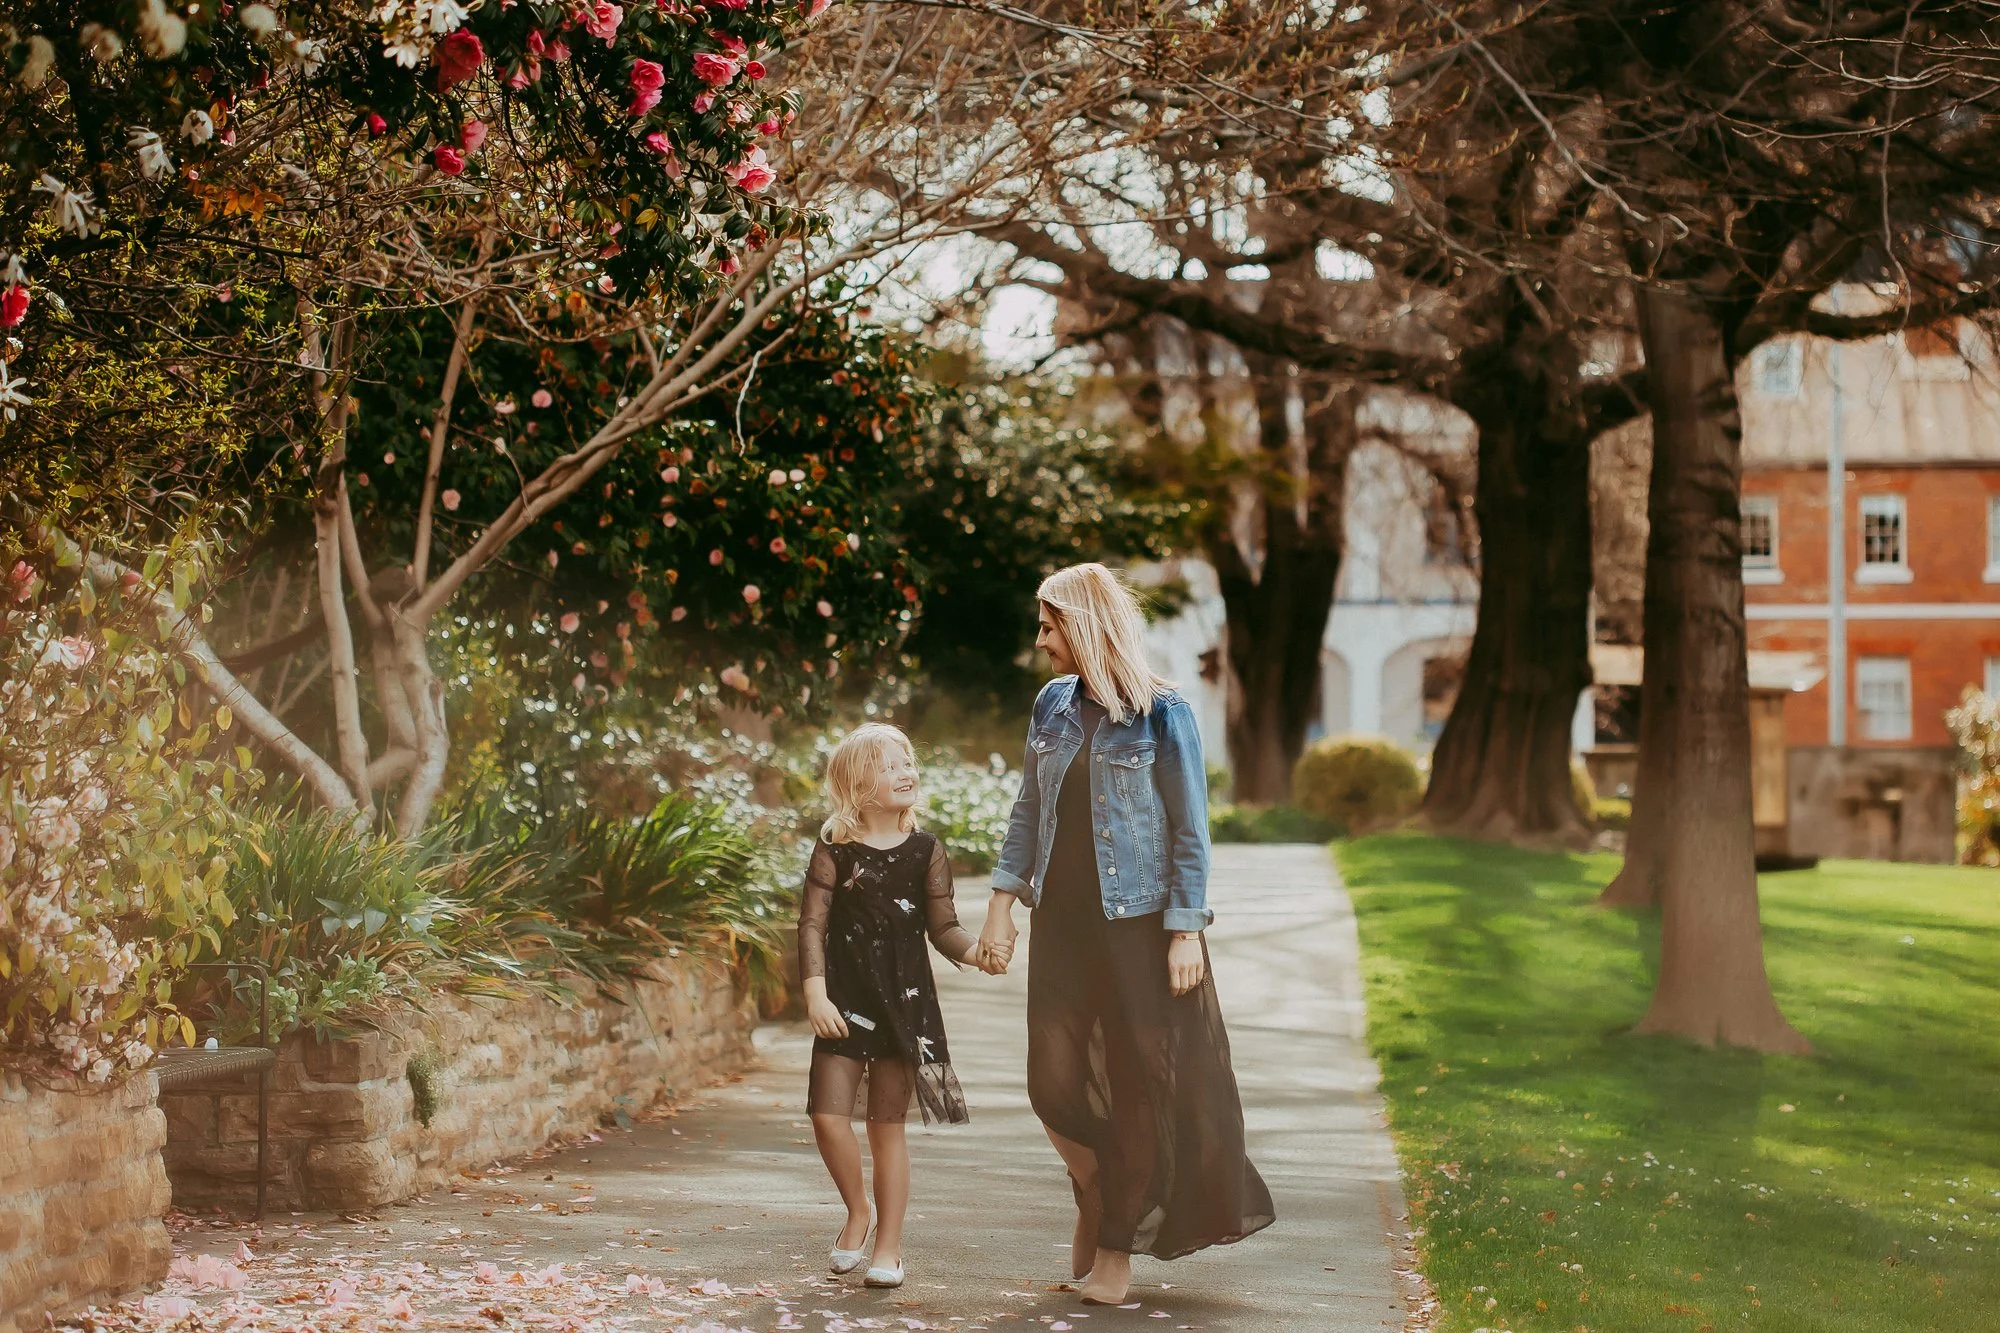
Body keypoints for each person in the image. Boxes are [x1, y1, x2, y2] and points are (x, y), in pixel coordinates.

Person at [978, 562, 1275, 1305]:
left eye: (1050, 625)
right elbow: (1026, 812)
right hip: (1063, 927)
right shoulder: (1050, 706)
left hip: (1139, 929)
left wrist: (1186, 931)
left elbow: (1190, 832)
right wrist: (999, 904)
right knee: (1049, 1081)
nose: (1041, 639)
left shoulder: (1161, 712)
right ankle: (1101, 1189)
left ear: (1083, 625)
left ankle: (1116, 1248)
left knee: (1139, 1087)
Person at [798, 723, 1002, 1290]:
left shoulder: (926, 850)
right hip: (843, 999)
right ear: (858, 785)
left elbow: (944, 928)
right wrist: (814, 990)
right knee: (826, 1117)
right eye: (888, 766)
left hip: (905, 1005)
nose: (904, 770)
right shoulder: (835, 849)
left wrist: (978, 954)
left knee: (887, 1129)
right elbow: (812, 924)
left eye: (906, 760)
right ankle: (857, 1212)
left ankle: (889, 1245)